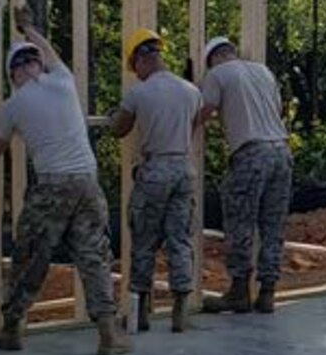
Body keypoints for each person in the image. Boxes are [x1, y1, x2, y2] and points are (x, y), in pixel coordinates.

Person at [0, 12, 127, 355]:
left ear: (13, 72)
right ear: (38, 65)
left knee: (30, 256)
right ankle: (108, 334)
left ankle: (11, 329)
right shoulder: (64, 82)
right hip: (87, 183)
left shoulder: (14, 104)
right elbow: (50, 52)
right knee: (93, 255)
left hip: (52, 186)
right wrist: (29, 28)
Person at [100, 28, 200, 334]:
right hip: (184, 170)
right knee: (179, 239)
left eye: (134, 67)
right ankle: (180, 309)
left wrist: (110, 117)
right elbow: (193, 126)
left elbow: (119, 129)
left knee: (143, 241)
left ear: (141, 59)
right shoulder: (190, 91)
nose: (136, 74)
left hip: (155, 171)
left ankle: (138, 313)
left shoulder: (139, 93)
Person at [196, 36, 292, 314]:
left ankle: (239, 291)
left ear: (212, 59)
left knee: (240, 223)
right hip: (281, 153)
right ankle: (267, 293)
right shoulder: (262, 70)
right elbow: (276, 109)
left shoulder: (217, 74)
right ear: (232, 51)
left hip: (251, 154)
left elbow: (204, 111)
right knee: (273, 226)